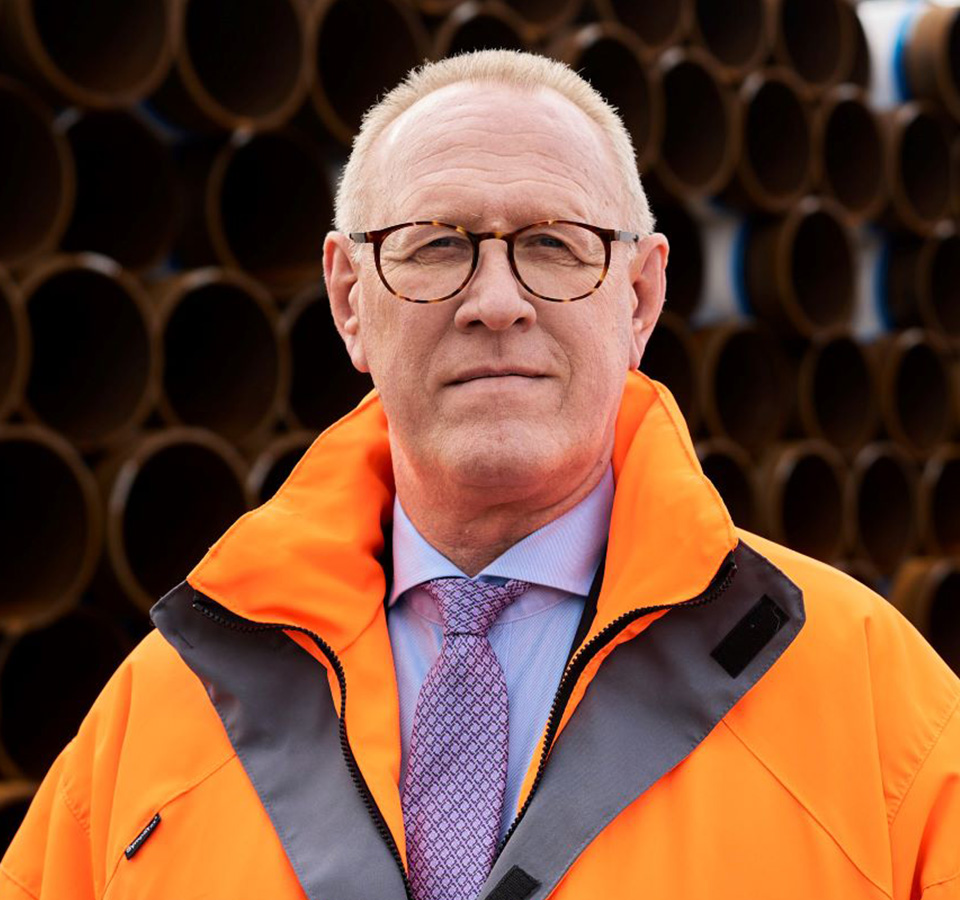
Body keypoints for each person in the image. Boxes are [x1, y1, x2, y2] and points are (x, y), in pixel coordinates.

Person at [2, 48, 958, 900]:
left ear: (640, 297)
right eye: (436, 246)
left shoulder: (878, 707)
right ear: (348, 300)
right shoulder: (154, 719)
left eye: (554, 245)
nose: (495, 303)